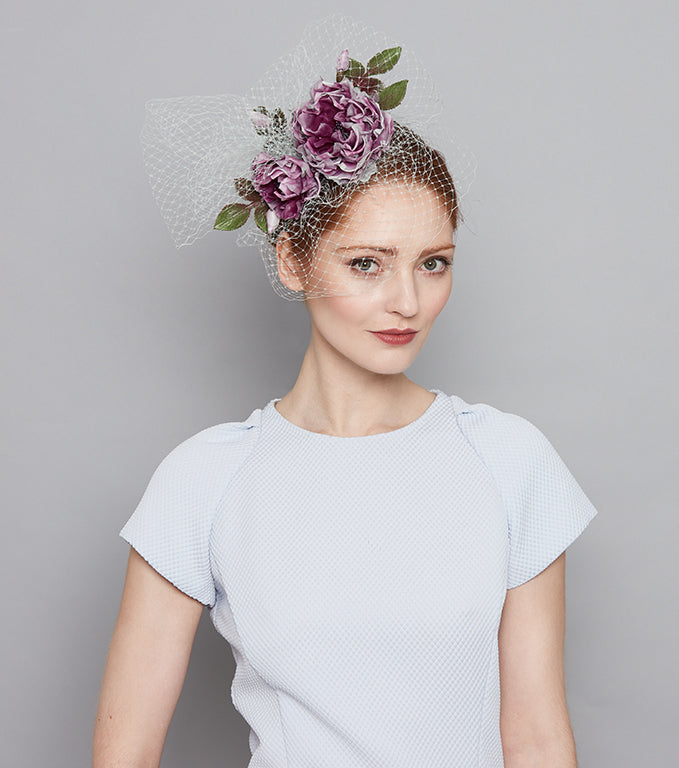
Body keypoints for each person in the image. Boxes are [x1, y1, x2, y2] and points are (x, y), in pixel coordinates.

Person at [93, 17, 597, 768]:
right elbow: (123, 754)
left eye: (434, 263)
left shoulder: (509, 461)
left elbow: (536, 739)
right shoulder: (203, 482)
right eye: (368, 263)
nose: (409, 301)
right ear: (292, 260)